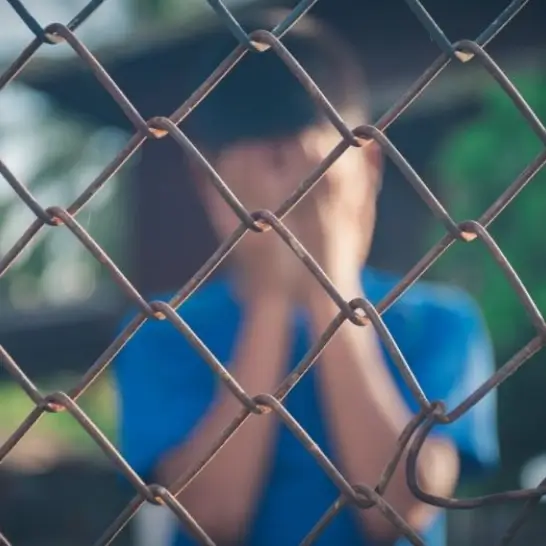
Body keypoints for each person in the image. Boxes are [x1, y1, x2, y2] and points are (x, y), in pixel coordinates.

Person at [113, 8, 499, 546]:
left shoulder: (438, 322)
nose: (287, 205)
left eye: (313, 184)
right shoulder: (163, 330)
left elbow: (401, 509)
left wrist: (332, 285)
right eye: (253, 191)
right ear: (211, 189)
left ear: (368, 166)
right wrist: (272, 296)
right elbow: (211, 518)